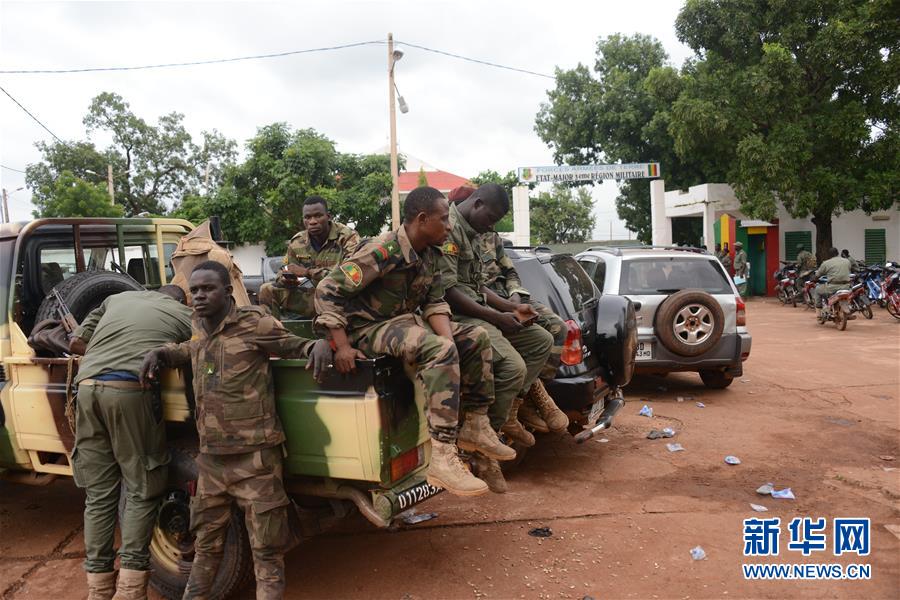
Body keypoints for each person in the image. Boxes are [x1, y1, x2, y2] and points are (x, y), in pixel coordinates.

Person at [140, 261, 333, 600]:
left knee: (267, 551)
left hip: (256, 461)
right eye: (194, 290)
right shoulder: (199, 325)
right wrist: (162, 352)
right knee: (206, 547)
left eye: (207, 289)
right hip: (212, 461)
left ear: (228, 292)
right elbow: (193, 349)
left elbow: (292, 344)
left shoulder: (254, 323)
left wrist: (318, 346)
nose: (198, 296)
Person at [315, 186, 501, 497]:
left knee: (475, 337)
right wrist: (342, 345)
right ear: (422, 219)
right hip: (367, 328)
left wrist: (450, 343)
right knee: (440, 349)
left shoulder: (431, 254)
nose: (450, 226)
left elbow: (435, 303)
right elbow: (326, 290)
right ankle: (442, 455)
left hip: (402, 323)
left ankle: (476, 424)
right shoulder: (382, 250)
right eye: (444, 219)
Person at [68, 286, 193, 600]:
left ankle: (98, 591)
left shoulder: (115, 299)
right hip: (129, 389)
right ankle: (130, 592)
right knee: (141, 488)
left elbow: (77, 342)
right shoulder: (183, 313)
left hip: (86, 389)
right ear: (181, 300)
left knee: (98, 496)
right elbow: (207, 345)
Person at [438, 184, 555, 493]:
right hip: (457, 316)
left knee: (541, 339)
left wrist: (511, 307)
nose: (491, 226)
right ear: (476, 204)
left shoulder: (475, 232)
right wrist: (497, 317)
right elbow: (449, 292)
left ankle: (509, 415)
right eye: (490, 217)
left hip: (481, 310)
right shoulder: (450, 231)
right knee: (513, 367)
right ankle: (481, 446)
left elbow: (477, 286)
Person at [259, 196, 359, 319]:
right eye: (307, 217)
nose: (312, 221)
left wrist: (308, 272)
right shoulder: (297, 241)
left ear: (328, 216)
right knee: (267, 289)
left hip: (342, 301)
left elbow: (351, 278)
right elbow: (285, 269)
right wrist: (285, 279)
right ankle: (274, 334)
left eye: (318, 216)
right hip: (315, 299)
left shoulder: (348, 237)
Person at [814, 248, 852, 315]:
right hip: (846, 287)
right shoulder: (847, 261)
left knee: (817, 289)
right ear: (837, 253)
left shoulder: (826, 263)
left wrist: (814, 279)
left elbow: (818, 274)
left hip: (832, 287)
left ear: (829, 255)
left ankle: (819, 313)